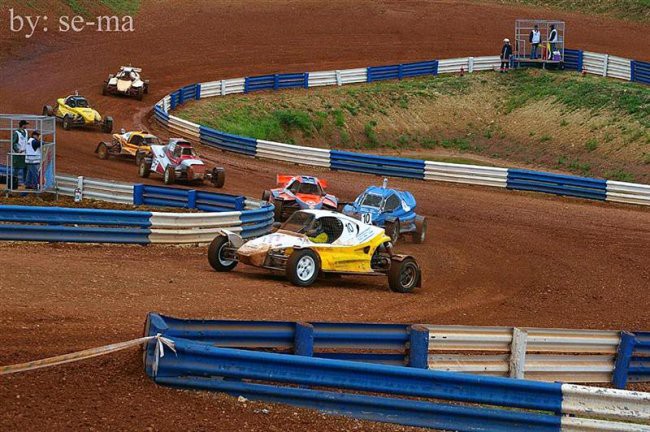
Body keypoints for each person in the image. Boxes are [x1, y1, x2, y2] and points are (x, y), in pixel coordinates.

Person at [10, 120, 29, 189]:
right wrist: (17, 150)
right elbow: (14, 143)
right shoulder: (16, 133)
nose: (27, 126)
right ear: (22, 125)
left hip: (25, 154)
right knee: (16, 169)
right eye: (26, 125)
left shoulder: (26, 132)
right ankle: (13, 183)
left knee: (26, 168)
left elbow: (28, 140)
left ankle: (25, 183)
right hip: (18, 155)